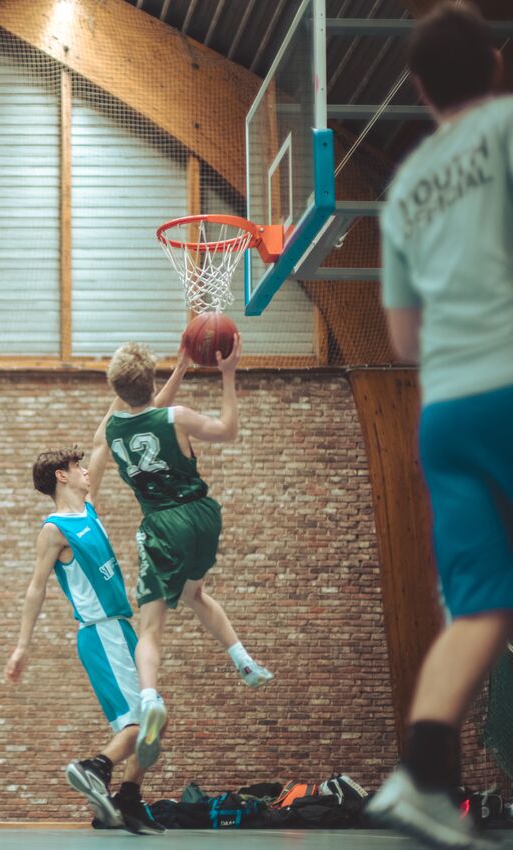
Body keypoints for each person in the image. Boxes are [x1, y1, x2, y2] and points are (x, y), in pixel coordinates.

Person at [365, 4, 513, 848]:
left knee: (481, 605)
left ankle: (420, 779)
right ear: (494, 61)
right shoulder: (508, 126)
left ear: (419, 90)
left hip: (445, 411)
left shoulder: (408, 187)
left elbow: (401, 336)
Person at [101, 340, 272, 768]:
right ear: (151, 380)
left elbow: (145, 410)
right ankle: (244, 661)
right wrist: (227, 374)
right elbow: (227, 428)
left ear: (116, 388)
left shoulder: (112, 429)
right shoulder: (174, 417)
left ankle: (148, 698)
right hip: (202, 517)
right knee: (195, 595)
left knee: (150, 628)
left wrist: (177, 371)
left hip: (163, 524)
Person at [4, 444, 164, 834]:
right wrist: (23, 645)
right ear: (62, 475)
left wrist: (122, 402)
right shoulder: (55, 529)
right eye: (77, 467)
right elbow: (35, 588)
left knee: (154, 720)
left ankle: (127, 799)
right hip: (101, 632)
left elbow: (100, 444)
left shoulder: (88, 509)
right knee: (145, 722)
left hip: (120, 628)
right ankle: (94, 768)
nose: (85, 471)